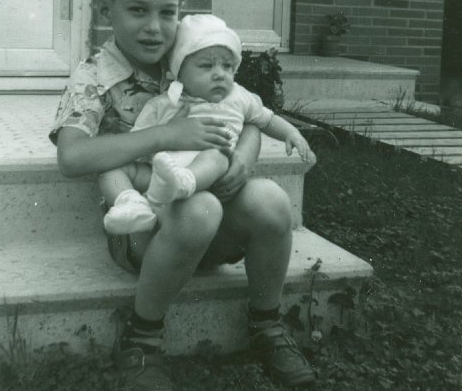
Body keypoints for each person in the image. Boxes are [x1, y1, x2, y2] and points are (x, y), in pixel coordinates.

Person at [50, 0, 316, 391]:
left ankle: (267, 324)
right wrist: (164, 135)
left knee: (270, 199)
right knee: (200, 206)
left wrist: (245, 158)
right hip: (143, 227)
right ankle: (141, 340)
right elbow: (72, 158)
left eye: (167, 12)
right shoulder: (93, 77)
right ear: (105, 8)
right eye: (137, 10)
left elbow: (247, 111)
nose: (154, 27)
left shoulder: (194, 52)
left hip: (212, 213)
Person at [100, 13, 312, 236]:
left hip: (212, 176)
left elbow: (266, 119)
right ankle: (130, 204)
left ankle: (185, 182)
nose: (220, 74)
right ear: (180, 70)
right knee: (113, 168)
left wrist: (292, 133)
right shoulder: (163, 103)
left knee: (216, 155)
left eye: (228, 66)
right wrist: (161, 138)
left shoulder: (239, 97)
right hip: (162, 176)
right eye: (207, 66)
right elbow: (138, 141)